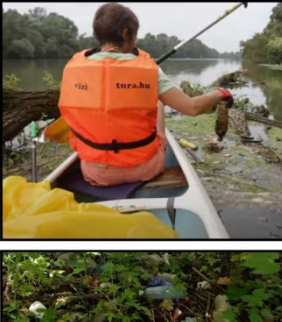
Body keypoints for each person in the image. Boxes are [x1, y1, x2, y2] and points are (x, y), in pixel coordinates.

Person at [58, 3, 234, 187]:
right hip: (146, 168)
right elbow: (192, 107)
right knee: (157, 103)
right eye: (135, 35)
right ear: (126, 33)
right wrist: (220, 93)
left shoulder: (73, 68)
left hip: (96, 174)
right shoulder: (150, 70)